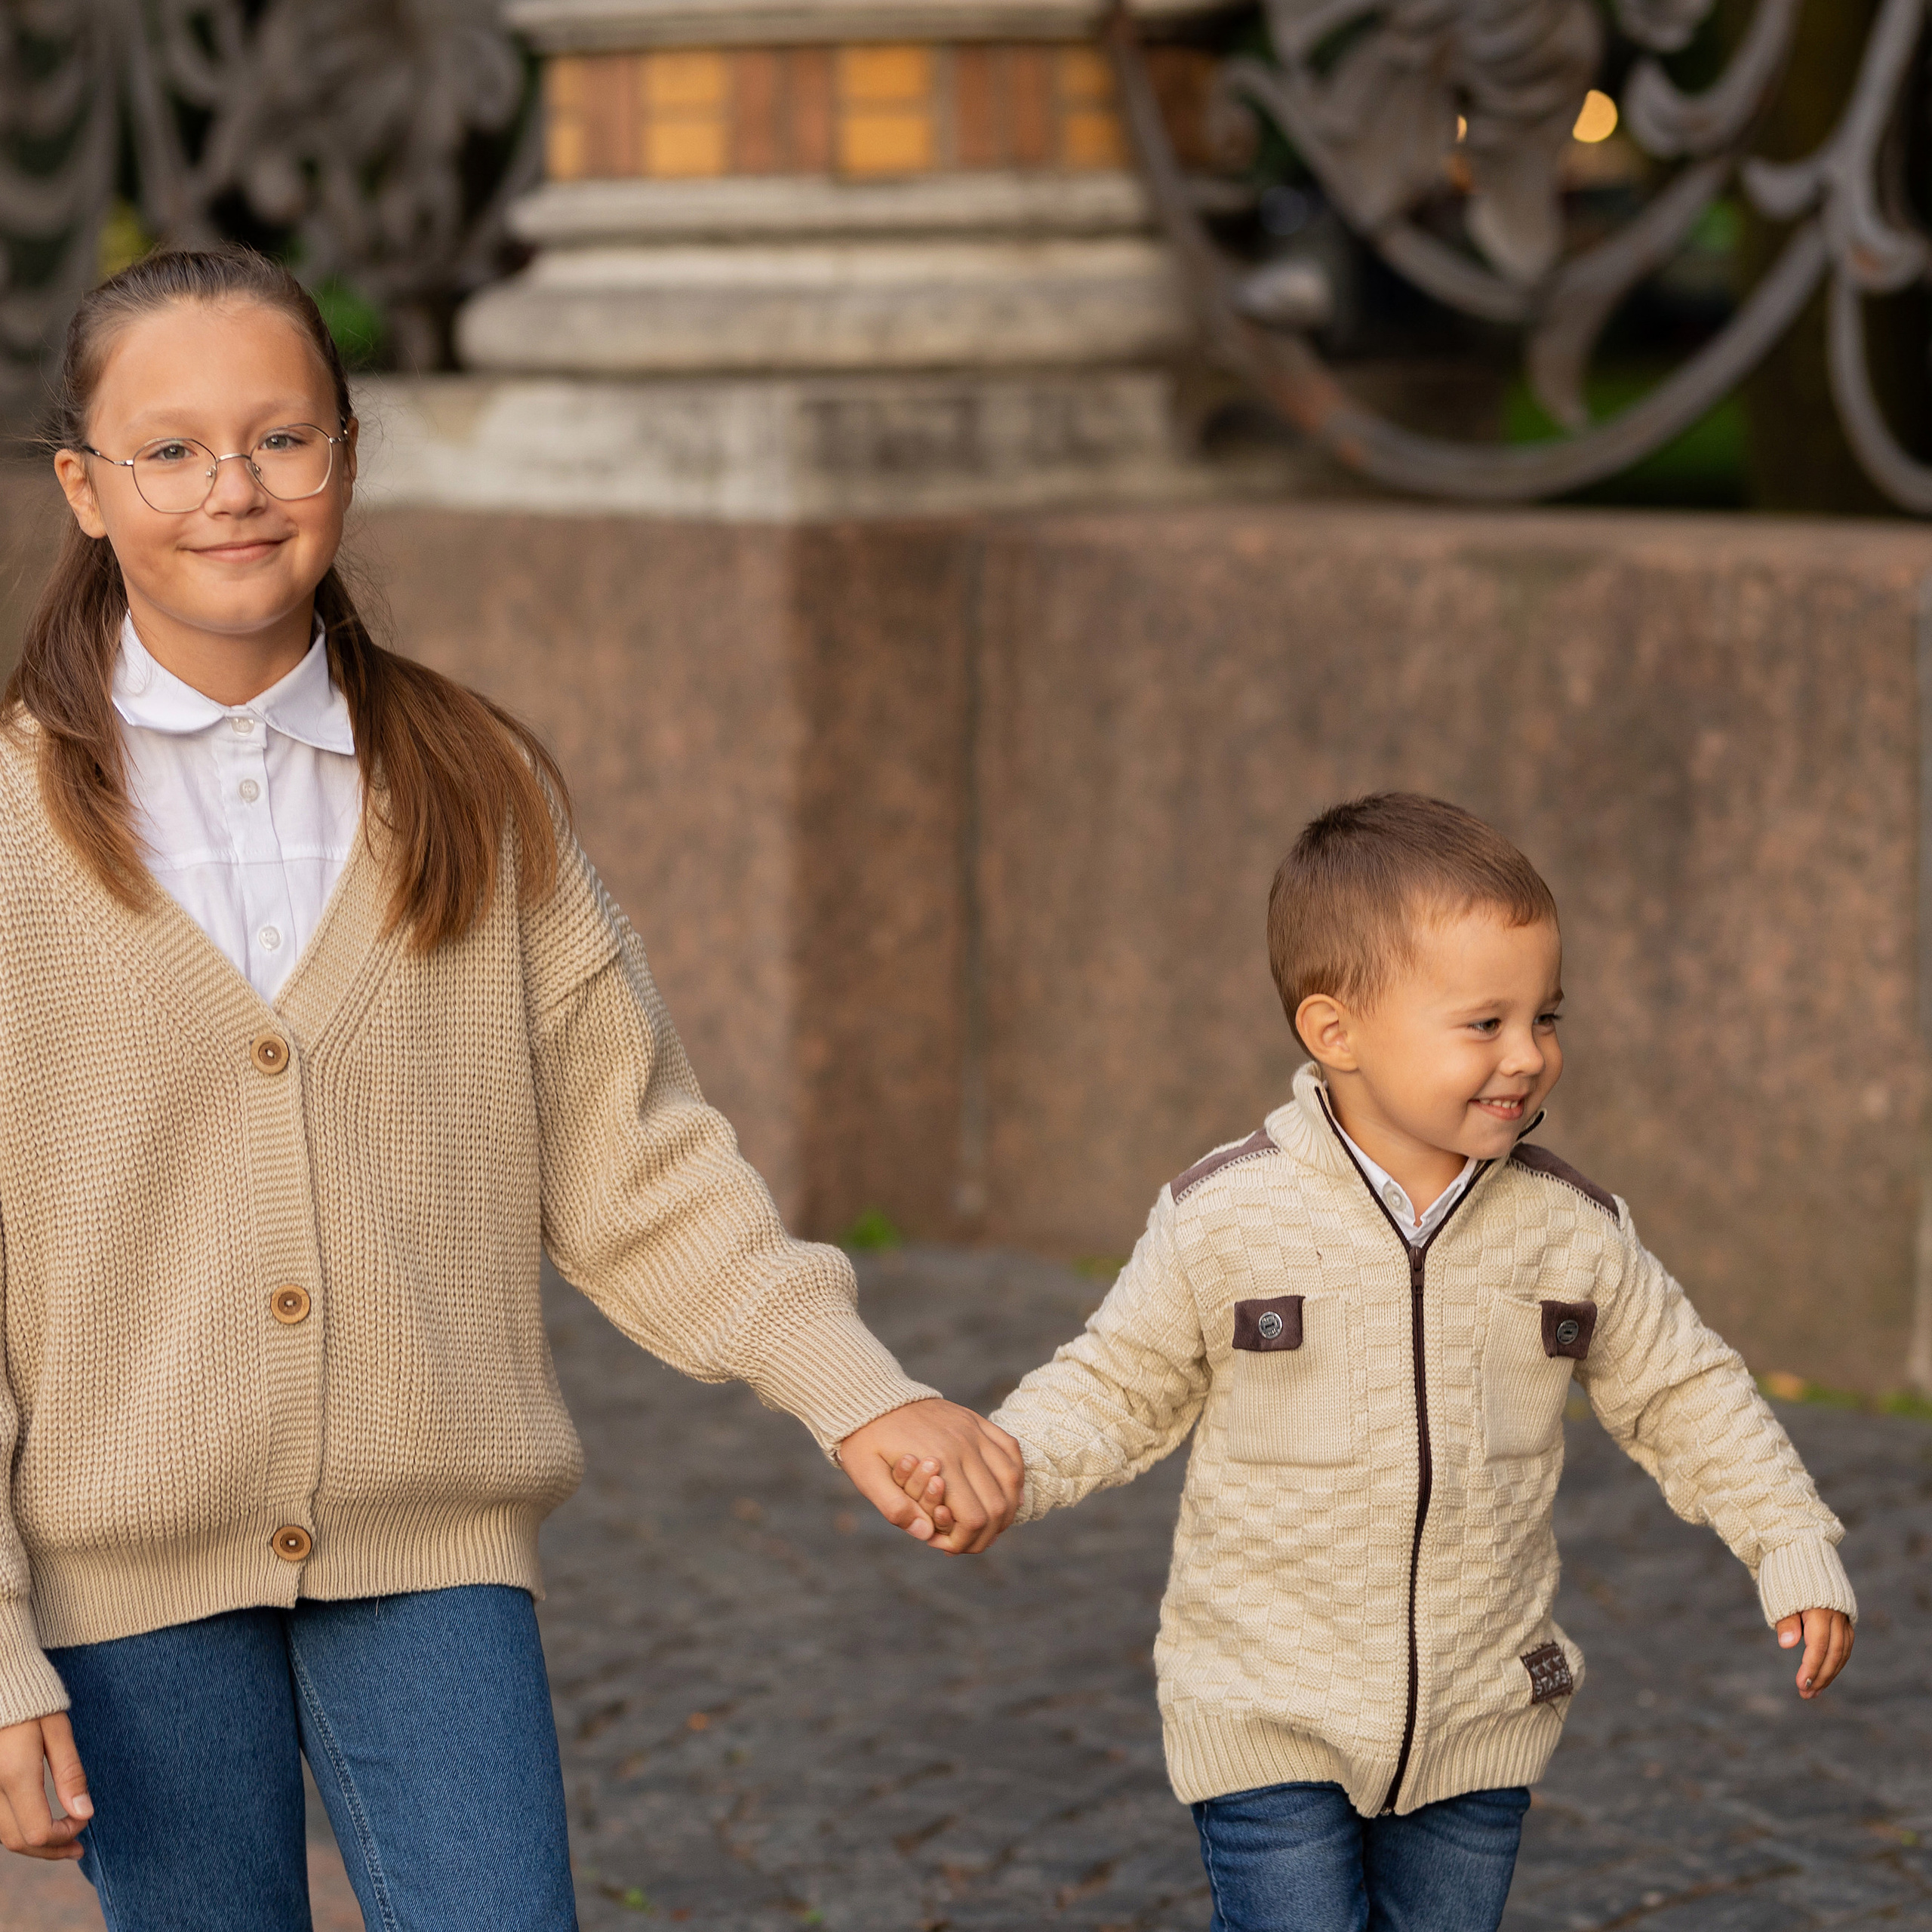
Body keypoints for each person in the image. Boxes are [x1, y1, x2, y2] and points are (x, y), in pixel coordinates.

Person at [0, 245, 1021, 1930]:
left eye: (283, 439)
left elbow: (636, 1157)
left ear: (346, 454)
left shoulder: (474, 786)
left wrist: (857, 1388)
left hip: (435, 1547)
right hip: (125, 1575)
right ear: (84, 488)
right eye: (169, 450)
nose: (233, 490)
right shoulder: (19, 834)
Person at [903, 792, 1856, 1932]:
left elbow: (1685, 1390)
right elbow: (1116, 1382)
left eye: (1545, 1017)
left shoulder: (1570, 1230)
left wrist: (1790, 1536)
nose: (1528, 1057)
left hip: (1477, 1720)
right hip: (1265, 1714)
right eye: (1483, 1023)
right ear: (1335, 1031)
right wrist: (1005, 1464)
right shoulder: (1229, 1214)